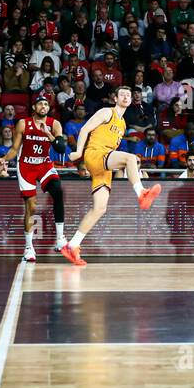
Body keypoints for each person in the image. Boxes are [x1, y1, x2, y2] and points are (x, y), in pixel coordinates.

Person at [61, 88, 162, 266]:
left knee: (99, 209)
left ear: (131, 101)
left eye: (128, 96)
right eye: (122, 94)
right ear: (115, 98)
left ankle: (72, 245)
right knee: (131, 158)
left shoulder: (122, 124)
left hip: (104, 165)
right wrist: (78, 152)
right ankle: (141, 193)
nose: (125, 97)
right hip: (95, 154)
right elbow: (84, 129)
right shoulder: (107, 112)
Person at [1, 93, 69, 262]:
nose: (43, 107)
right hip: (26, 166)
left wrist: (49, 134)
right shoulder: (23, 123)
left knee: (58, 191)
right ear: (34, 107)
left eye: (46, 104)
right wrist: (4, 159)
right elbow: (15, 149)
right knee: (31, 207)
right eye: (40, 104)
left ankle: (60, 239)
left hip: (44, 164)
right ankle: (29, 248)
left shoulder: (55, 124)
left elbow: (61, 148)